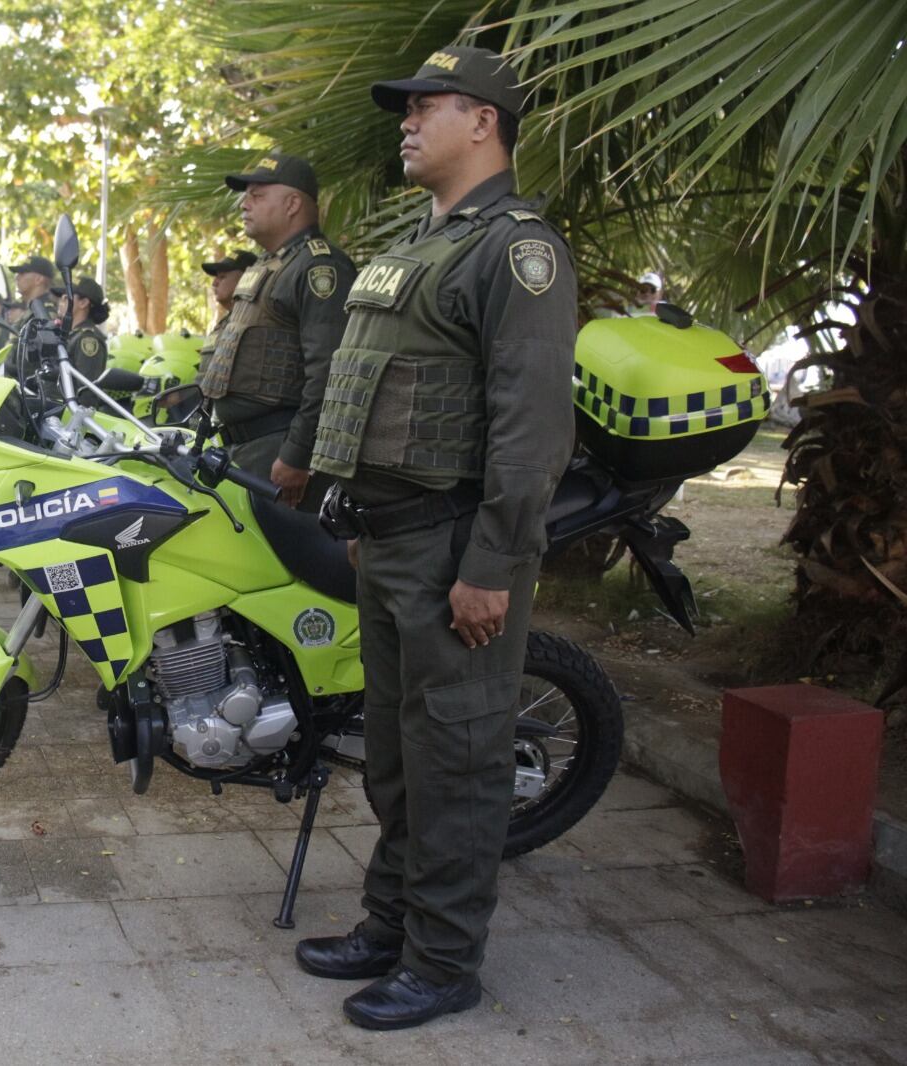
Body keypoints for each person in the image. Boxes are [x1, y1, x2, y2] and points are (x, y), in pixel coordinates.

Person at [299, 45, 577, 1031]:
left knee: (456, 761)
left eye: (428, 106)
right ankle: (390, 922)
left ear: (484, 123)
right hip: (390, 542)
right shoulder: (421, 244)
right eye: (404, 108)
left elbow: (531, 428)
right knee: (395, 756)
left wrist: (493, 568)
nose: (406, 121)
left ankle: (445, 959)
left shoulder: (516, 251)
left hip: (458, 549)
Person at [198, 150, 355, 506]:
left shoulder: (319, 268)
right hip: (248, 447)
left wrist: (297, 454)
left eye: (257, 195)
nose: (244, 204)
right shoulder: (269, 266)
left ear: (292, 204)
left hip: (278, 450)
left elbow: (330, 373)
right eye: (246, 195)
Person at [198, 249, 258, 371]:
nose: (214, 283)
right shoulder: (224, 323)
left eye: (222, 277)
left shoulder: (257, 319)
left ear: (246, 277)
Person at [50, 276, 111, 381]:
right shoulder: (71, 335)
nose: (61, 301)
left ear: (83, 303)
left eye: (65, 297)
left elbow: (87, 389)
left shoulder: (88, 339)